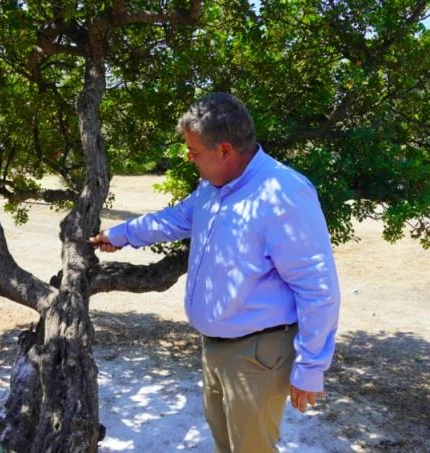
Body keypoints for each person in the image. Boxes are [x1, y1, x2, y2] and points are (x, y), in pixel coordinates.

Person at [89, 92, 340, 453]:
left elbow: (318, 287)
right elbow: (175, 219)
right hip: (217, 348)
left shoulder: (282, 193)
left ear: (225, 150)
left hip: (258, 354)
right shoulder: (213, 187)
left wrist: (311, 367)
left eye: (193, 151)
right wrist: (120, 235)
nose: (188, 158)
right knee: (226, 445)